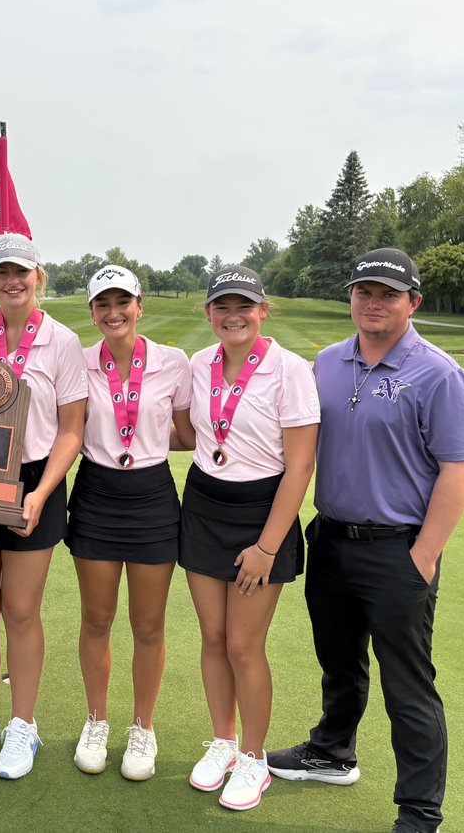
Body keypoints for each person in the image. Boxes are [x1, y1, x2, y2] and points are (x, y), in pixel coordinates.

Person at [267, 249, 464, 833]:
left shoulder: (440, 375)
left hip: (398, 548)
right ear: (351, 298)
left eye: (389, 293)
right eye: (364, 291)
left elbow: (458, 471)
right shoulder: (328, 363)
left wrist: (423, 557)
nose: (374, 302)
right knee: (338, 662)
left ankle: (419, 811)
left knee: (407, 683)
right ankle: (334, 751)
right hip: (332, 539)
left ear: (413, 301)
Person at [179, 266, 319, 811]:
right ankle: (223, 742)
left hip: (263, 516)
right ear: (209, 312)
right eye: (221, 306)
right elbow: (195, 431)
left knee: (243, 644)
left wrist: (266, 548)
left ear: (263, 310)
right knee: (212, 638)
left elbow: (300, 465)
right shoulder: (199, 364)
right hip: (204, 504)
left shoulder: (290, 370)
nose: (232, 316)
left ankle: (254, 759)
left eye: (244, 305)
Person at [0, 233, 87, 780]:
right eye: (1, 273)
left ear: (39, 277)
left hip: (36, 480)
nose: (12, 282)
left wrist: (41, 491)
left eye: (21, 273)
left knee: (22, 611)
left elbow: (71, 430)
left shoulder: (62, 341)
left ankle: (22, 725)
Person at [66, 266, 192, 781]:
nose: (113, 313)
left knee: (148, 624)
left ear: (140, 305)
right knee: (96, 619)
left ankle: (143, 728)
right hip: (95, 493)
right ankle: (97, 721)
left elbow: (185, 433)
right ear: (92, 311)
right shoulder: (76, 363)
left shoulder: (172, 362)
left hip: (152, 495)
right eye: (103, 304)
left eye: (123, 302)